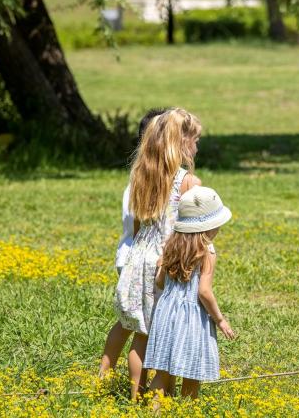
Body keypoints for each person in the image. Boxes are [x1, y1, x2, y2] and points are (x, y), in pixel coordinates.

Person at [113, 108, 202, 399]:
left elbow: (137, 223)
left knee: (142, 335)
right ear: (181, 142)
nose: (197, 146)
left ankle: (135, 396)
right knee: (168, 332)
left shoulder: (143, 174)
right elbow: (192, 228)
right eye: (195, 139)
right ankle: (163, 393)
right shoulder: (188, 182)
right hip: (168, 262)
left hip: (140, 257)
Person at [145, 186, 237, 402]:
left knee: (162, 372)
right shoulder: (207, 251)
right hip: (192, 317)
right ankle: (188, 411)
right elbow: (204, 291)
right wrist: (220, 320)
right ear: (210, 226)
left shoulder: (171, 245)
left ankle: (153, 413)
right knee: (192, 373)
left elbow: (159, 282)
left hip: (166, 312)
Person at [98, 107, 167, 380]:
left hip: (127, 256)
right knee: (143, 328)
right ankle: (135, 387)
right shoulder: (148, 179)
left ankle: (105, 373)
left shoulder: (138, 174)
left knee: (127, 323)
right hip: (138, 259)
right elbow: (142, 224)